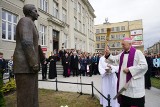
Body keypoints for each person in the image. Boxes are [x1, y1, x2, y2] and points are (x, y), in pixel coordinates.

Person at [13, 4, 44, 107]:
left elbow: (34, 44)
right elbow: (26, 42)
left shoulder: (31, 23)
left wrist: (41, 58)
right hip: (25, 66)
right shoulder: (25, 21)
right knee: (25, 100)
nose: (38, 14)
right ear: (30, 12)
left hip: (29, 67)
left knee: (32, 98)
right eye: (36, 11)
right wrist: (33, 63)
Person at [105, 38, 148, 107]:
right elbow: (114, 60)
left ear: (130, 44)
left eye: (123, 44)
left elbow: (144, 66)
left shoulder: (138, 53)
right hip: (123, 85)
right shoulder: (122, 54)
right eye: (122, 44)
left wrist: (130, 69)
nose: (122, 46)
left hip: (133, 85)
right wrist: (108, 55)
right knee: (124, 103)